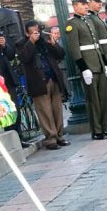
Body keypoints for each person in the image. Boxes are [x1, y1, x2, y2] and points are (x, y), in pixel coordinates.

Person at [16, 21, 69, 150]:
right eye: (33, 32)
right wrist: (31, 42)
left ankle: (59, 136)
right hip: (38, 83)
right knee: (45, 112)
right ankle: (50, 139)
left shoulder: (44, 42)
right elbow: (24, 58)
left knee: (57, 109)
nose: (37, 34)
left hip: (53, 79)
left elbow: (60, 55)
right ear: (27, 33)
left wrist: (54, 44)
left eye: (38, 31)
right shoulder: (21, 44)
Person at [66, 0, 107, 140]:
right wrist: (84, 68)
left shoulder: (88, 21)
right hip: (89, 66)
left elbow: (97, 45)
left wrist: (104, 63)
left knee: (103, 98)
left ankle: (104, 127)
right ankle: (97, 130)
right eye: (83, 4)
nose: (86, 6)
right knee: (93, 100)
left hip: (99, 64)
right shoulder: (72, 24)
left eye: (86, 3)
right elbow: (74, 49)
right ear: (75, 6)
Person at [86, 0, 107, 136]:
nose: (100, 4)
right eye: (96, 1)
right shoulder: (90, 19)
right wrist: (104, 61)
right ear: (89, 3)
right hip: (103, 59)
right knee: (105, 95)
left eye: (100, 2)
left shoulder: (97, 17)